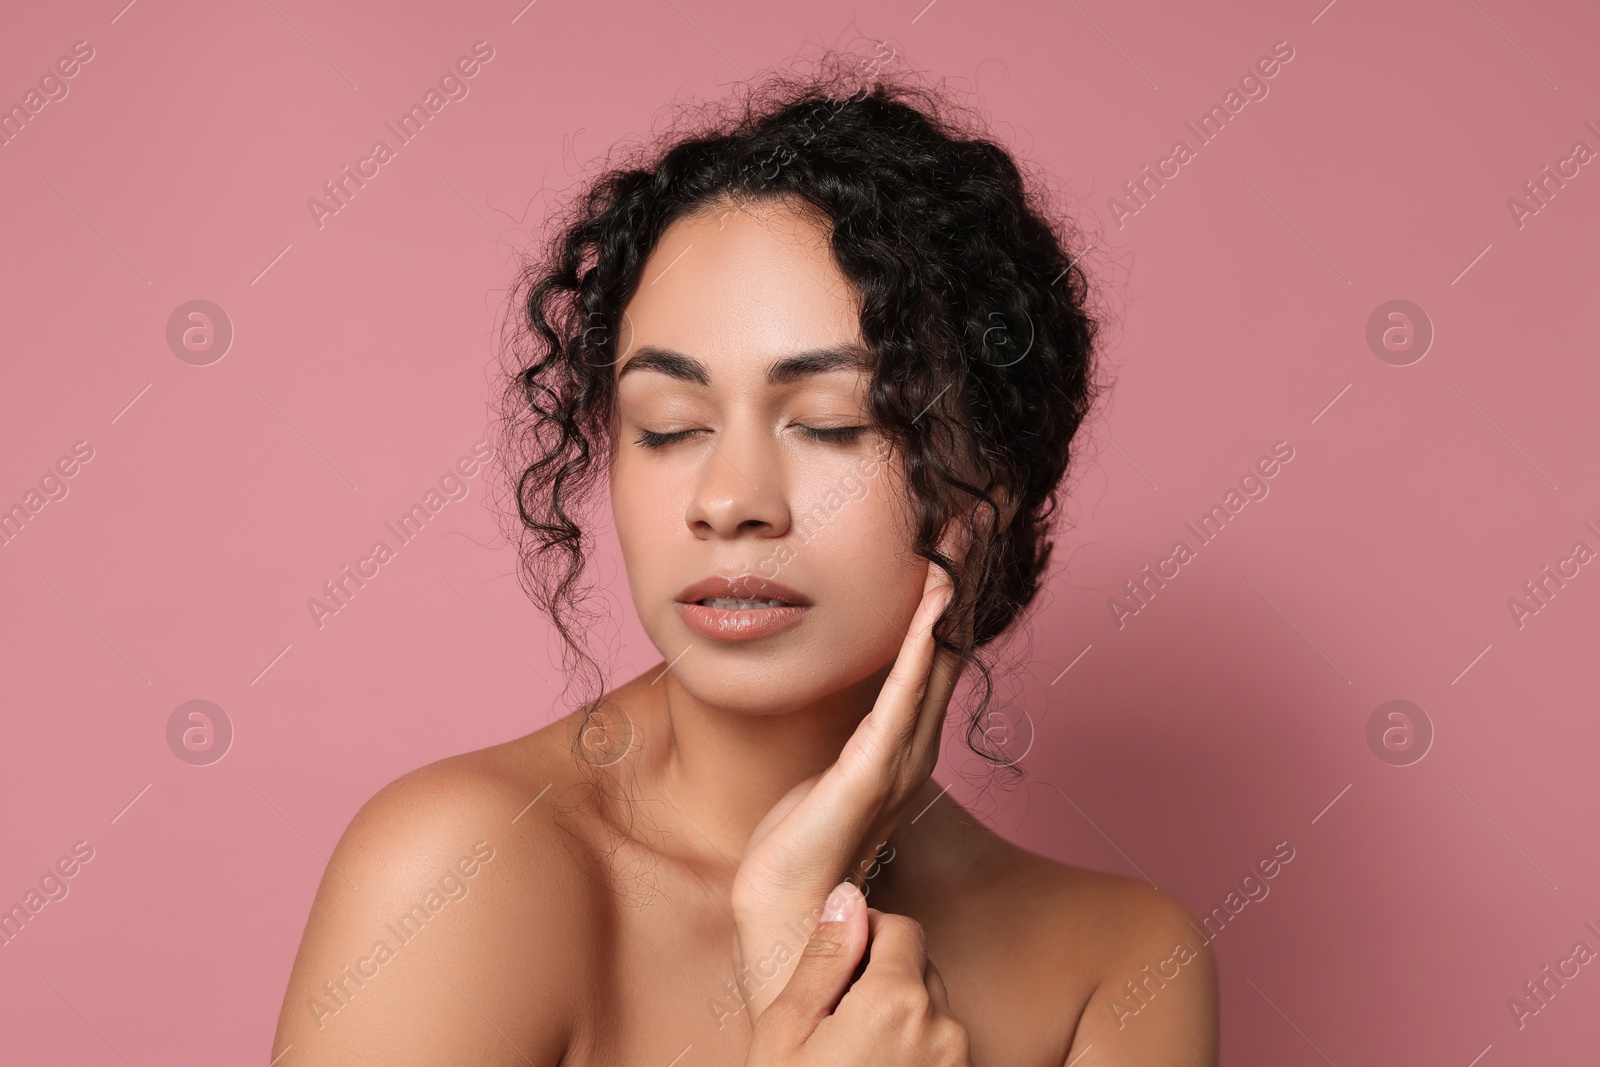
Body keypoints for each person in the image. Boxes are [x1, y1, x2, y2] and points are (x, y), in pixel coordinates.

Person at [272, 49, 1219, 1066]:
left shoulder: (1113, 965)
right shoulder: (459, 871)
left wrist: (791, 922)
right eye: (670, 425)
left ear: (984, 487)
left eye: (828, 423)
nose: (728, 502)